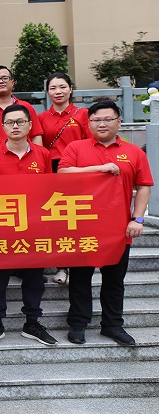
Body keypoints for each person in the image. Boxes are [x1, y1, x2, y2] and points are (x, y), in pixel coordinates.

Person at [59, 100, 152, 346]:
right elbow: (63, 174)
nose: (102, 124)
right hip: (83, 226)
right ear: (88, 123)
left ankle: (112, 325)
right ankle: (78, 323)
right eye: (96, 120)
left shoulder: (134, 152)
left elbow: (143, 186)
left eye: (108, 119)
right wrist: (100, 168)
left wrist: (137, 218)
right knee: (80, 278)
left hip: (118, 229)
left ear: (119, 122)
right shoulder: (76, 147)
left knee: (114, 280)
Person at [0, 104, 56, 347]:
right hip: (2, 224)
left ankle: (32, 322)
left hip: (35, 225)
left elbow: (49, 189)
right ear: (2, 127)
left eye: (20, 122)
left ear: (30, 125)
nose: (15, 126)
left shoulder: (42, 154)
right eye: (10, 122)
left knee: (34, 277)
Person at [39, 72, 90, 286]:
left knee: (75, 218)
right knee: (56, 218)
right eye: (53, 88)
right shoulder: (41, 118)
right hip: (52, 171)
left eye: (62, 87)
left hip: (77, 170)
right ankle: (62, 265)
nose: (58, 92)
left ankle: (77, 263)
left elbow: (91, 143)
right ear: (47, 92)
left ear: (70, 89)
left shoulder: (83, 114)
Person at [0, 65, 44, 155]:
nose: (1, 81)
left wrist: (37, 157)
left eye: (5, 78)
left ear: (12, 82)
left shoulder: (26, 107)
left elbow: (36, 135)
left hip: (25, 158)